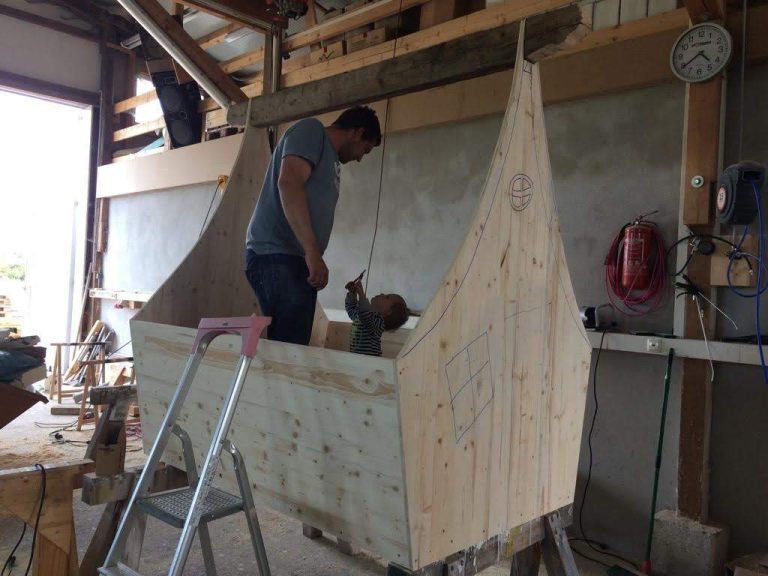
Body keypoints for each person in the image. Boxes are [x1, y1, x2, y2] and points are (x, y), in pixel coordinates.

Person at [244, 106, 382, 344]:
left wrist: (311, 255)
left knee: (294, 343)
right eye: (365, 150)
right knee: (290, 345)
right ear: (357, 133)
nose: (360, 158)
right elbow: (289, 183)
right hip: (276, 253)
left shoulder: (330, 158)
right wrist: (312, 251)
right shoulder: (311, 131)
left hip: (293, 258)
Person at [345, 278, 409, 357]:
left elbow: (366, 315)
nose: (382, 294)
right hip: (358, 359)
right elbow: (351, 309)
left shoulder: (378, 324)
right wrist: (352, 293)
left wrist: (361, 294)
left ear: (388, 312)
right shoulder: (363, 314)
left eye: (386, 297)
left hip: (371, 361)